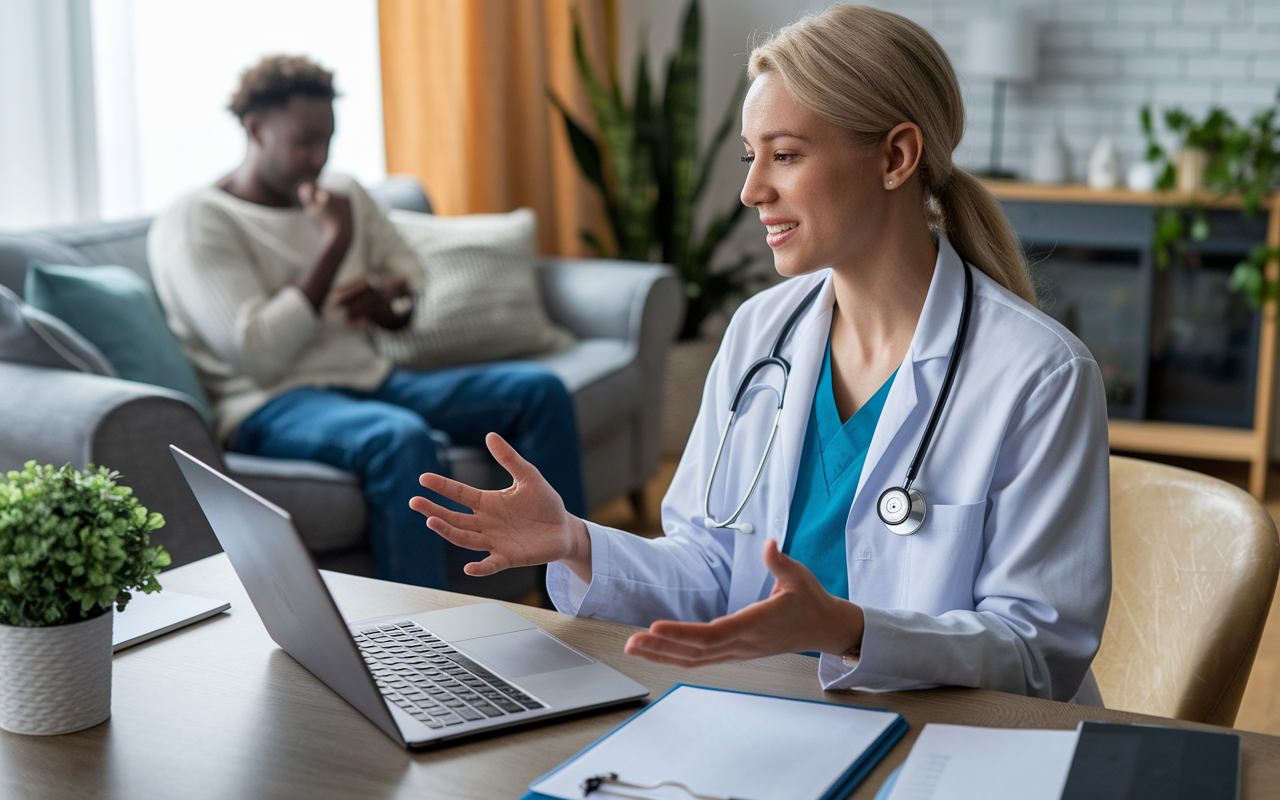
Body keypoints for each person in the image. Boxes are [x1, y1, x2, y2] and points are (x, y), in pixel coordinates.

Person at [409, 6, 1110, 702]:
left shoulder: (1040, 375)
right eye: (752, 156)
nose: (751, 191)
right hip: (772, 714)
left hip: (950, 745)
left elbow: (1037, 652)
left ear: (895, 157)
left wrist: (848, 629)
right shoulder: (760, 333)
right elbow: (710, 568)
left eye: (786, 155)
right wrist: (575, 541)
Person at [149, 55, 586, 589]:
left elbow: (409, 278)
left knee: (540, 390)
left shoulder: (345, 192)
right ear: (255, 128)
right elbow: (258, 353)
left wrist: (386, 303)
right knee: (399, 438)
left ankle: (573, 593)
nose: (316, 158)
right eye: (303, 140)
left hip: (370, 377)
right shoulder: (198, 220)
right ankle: (423, 641)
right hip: (272, 403)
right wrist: (333, 242)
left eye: (326, 140)